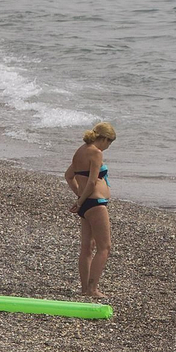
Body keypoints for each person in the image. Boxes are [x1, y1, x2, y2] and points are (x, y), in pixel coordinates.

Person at [65, 122, 115, 299]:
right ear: (103, 138)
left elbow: (69, 176)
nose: (108, 147)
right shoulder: (96, 152)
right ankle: (93, 290)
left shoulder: (80, 151)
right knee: (104, 247)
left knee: (88, 246)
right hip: (95, 203)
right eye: (109, 142)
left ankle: (85, 288)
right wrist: (80, 200)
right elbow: (93, 181)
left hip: (87, 203)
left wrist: (80, 196)